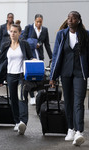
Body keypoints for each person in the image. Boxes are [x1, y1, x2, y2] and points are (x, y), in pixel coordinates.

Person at [50, 11, 89, 146]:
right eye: (68, 18)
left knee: (78, 102)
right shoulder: (61, 34)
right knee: (68, 102)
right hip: (65, 73)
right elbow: (55, 56)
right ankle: (70, 129)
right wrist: (53, 77)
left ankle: (79, 131)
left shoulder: (86, 35)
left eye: (73, 18)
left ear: (78, 20)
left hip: (80, 73)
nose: (70, 20)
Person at [0, 24, 34, 135]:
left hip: (22, 76)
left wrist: (33, 59)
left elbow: (30, 57)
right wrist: (0, 79)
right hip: (10, 75)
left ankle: (23, 122)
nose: (12, 34)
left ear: (19, 33)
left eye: (15, 32)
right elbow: (2, 63)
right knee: (13, 99)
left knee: (21, 97)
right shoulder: (5, 46)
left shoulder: (24, 44)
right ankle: (17, 121)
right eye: (11, 31)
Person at [22, 14, 52, 105]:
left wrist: (51, 56)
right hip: (30, 55)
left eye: (40, 22)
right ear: (34, 21)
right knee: (30, 75)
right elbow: (23, 39)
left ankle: (39, 94)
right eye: (37, 21)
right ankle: (31, 96)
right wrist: (34, 43)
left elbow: (47, 44)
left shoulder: (45, 30)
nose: (39, 23)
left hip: (39, 56)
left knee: (40, 75)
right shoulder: (29, 28)